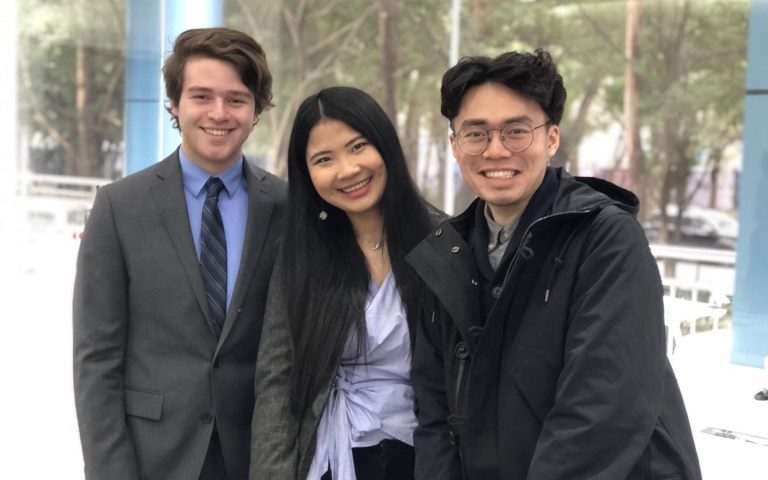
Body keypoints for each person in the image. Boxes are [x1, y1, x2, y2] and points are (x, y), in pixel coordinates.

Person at [407, 50, 702, 479]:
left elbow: (603, 410)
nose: (496, 150)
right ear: (454, 144)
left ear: (551, 139)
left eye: (516, 131)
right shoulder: (444, 254)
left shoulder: (605, 239)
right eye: (476, 133)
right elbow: (433, 412)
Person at [73, 28, 286, 480]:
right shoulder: (118, 207)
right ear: (174, 103)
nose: (219, 113)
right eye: (201, 96)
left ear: (257, 110)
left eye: (237, 99)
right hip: (152, 458)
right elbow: (96, 360)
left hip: (256, 458)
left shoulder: (287, 208)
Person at [249, 86, 437, 480]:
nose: (348, 170)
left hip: (426, 460)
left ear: (385, 145)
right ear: (307, 174)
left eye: (358, 146)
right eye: (324, 159)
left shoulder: (444, 241)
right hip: (332, 457)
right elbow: (277, 380)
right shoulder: (301, 254)